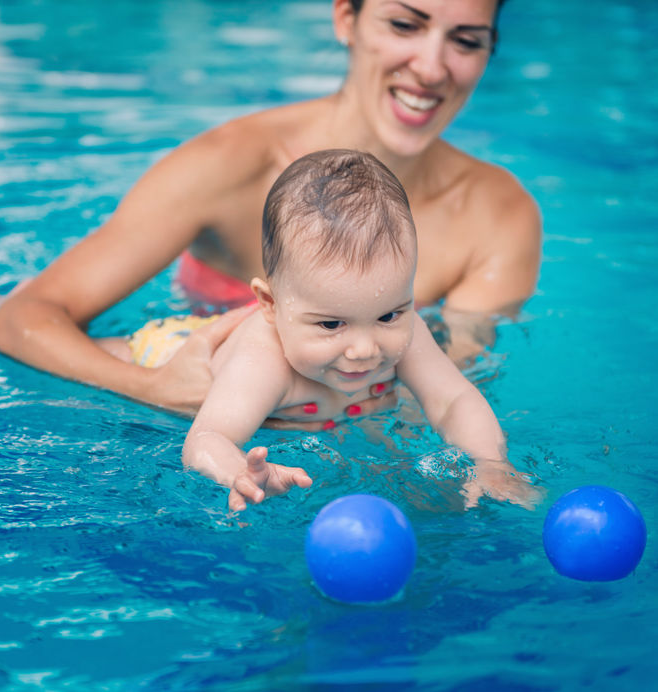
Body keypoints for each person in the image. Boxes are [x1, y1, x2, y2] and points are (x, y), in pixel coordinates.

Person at [0, 0, 541, 425]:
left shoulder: (498, 215)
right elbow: (18, 321)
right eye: (404, 25)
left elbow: (446, 387)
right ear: (346, 18)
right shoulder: (228, 167)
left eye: (466, 42)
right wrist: (153, 388)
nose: (431, 67)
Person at [102, 149, 539, 511]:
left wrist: (489, 463)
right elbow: (207, 437)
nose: (366, 349)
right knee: (113, 353)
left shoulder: (409, 333)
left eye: (389, 315)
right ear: (270, 305)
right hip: (167, 346)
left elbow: (455, 400)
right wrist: (238, 471)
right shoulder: (262, 359)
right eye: (332, 324)